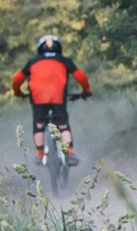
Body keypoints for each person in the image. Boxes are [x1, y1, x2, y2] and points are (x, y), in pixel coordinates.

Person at [12, 34, 92, 167]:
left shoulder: (32, 62)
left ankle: (40, 155)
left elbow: (17, 79)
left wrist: (18, 92)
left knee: (38, 125)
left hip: (38, 98)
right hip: (58, 97)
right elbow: (80, 76)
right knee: (63, 126)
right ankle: (69, 154)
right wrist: (86, 91)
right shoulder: (64, 60)